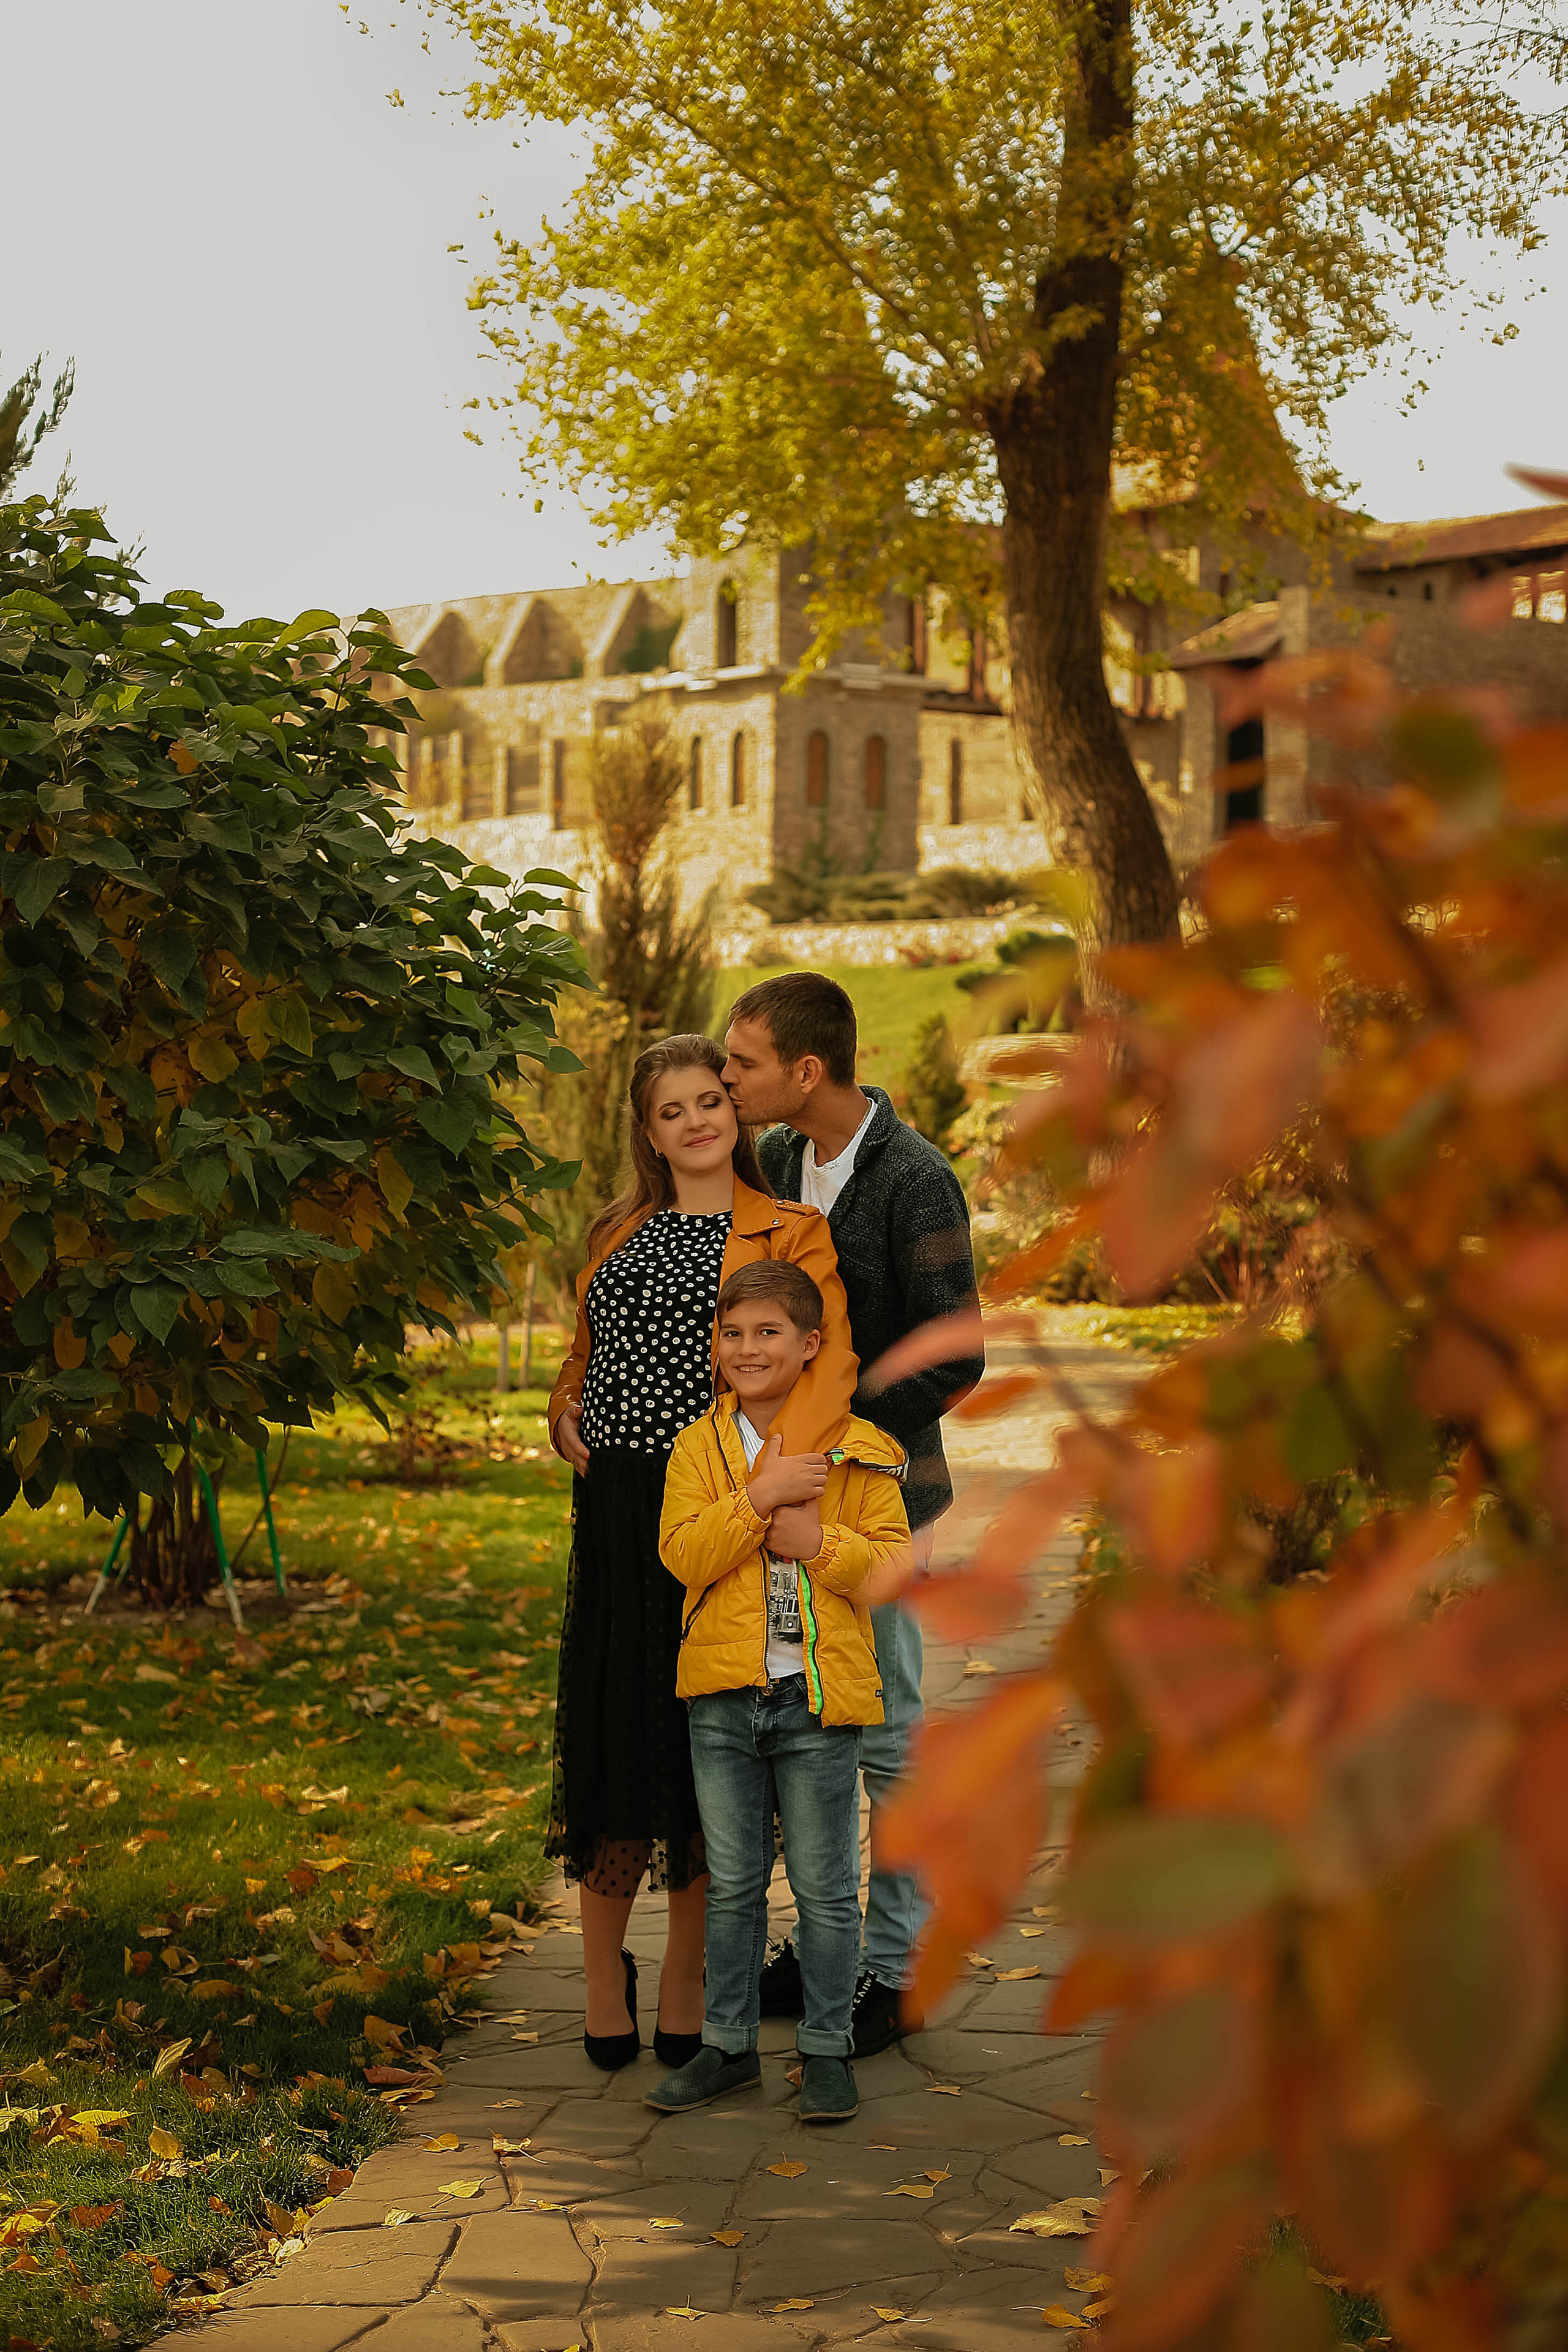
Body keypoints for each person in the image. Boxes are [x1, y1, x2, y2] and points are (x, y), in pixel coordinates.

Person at [545, 1031, 858, 2073]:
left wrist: (779, 1488)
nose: (695, 1122)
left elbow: (826, 1366)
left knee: (698, 1749)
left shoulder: (788, 1230)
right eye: (670, 1110)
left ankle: (685, 1979)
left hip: (721, 1508)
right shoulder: (618, 1231)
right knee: (610, 1741)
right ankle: (601, 1976)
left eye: (709, 1102)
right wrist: (562, 1409)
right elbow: (584, 1355)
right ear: (647, 1130)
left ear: (736, 1111)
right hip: (618, 1511)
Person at [721, 972, 984, 2056]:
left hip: (879, 1500)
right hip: (782, 1497)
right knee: (815, 1720)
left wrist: (847, 1440)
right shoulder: (778, 1164)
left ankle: (900, 1965)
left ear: (806, 1071)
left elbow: (956, 1355)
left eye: (742, 1064)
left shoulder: (916, 1179)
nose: (728, 1079)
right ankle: (829, 1952)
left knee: (890, 1730)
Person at [646, 1261, 910, 2122]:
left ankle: (828, 2050)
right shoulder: (698, 1449)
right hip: (723, 1700)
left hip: (815, 1701)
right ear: (715, 1351)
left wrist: (817, 1540)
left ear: (809, 1345)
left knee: (829, 1887)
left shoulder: (860, 1450)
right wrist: (758, 1500)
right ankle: (728, 2047)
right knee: (733, 1884)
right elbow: (683, 1555)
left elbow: (891, 1573)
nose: (748, 1348)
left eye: (768, 1333)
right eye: (733, 1334)